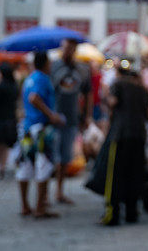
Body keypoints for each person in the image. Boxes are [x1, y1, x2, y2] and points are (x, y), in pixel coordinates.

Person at [99, 63, 148, 225]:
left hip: (121, 135)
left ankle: (113, 213)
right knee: (135, 174)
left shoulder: (117, 84)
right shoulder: (142, 89)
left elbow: (113, 102)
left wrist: (106, 97)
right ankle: (132, 212)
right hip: (139, 135)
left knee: (115, 175)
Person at [17, 51, 65, 219]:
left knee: (25, 166)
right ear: (45, 63)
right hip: (41, 129)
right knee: (43, 166)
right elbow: (34, 98)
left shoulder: (29, 79)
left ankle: (25, 206)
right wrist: (51, 115)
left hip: (28, 127)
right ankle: (40, 207)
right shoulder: (42, 79)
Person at [50, 38, 91, 205]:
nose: (68, 51)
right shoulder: (53, 66)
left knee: (66, 157)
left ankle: (59, 191)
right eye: (66, 48)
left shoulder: (82, 69)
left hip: (71, 118)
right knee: (51, 156)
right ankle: (46, 193)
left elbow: (88, 93)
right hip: (53, 118)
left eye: (71, 49)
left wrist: (87, 115)